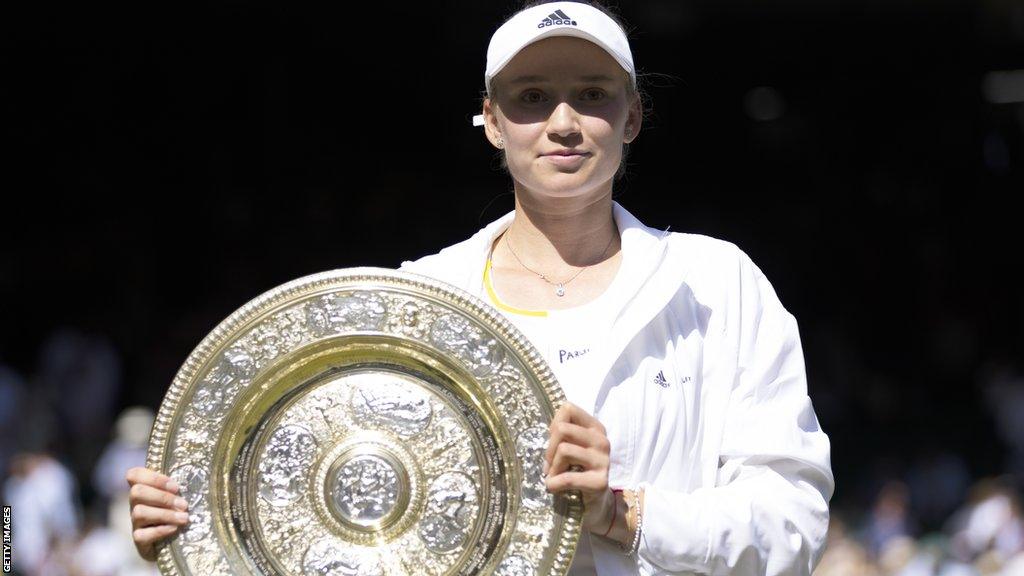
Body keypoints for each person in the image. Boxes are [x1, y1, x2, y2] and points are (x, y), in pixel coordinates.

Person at [127, 1, 835, 574]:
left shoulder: (718, 284)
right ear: (492, 123)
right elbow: (348, 520)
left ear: (633, 117)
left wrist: (623, 512)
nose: (563, 123)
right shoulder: (416, 301)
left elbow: (792, 525)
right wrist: (203, 522)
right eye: (532, 98)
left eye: (592, 96)